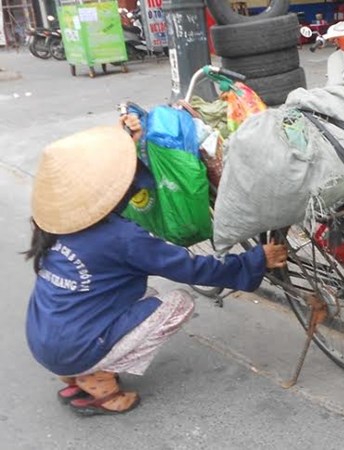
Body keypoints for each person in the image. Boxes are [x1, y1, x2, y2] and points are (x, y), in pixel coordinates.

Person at [24, 117, 287, 416]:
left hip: (44, 337)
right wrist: (254, 260)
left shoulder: (56, 224)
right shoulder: (121, 238)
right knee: (178, 303)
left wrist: (130, 141)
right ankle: (96, 380)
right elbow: (191, 269)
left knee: (141, 292)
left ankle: (78, 369)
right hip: (73, 348)